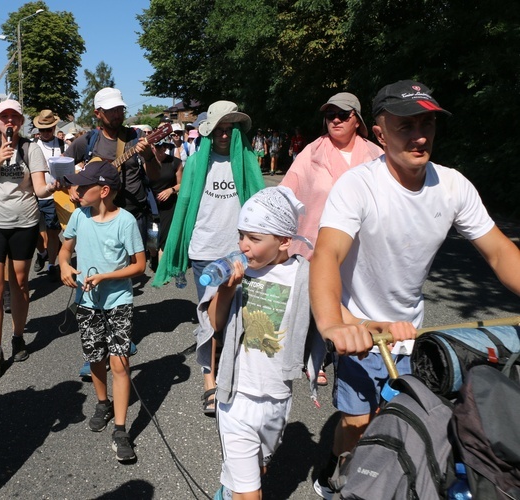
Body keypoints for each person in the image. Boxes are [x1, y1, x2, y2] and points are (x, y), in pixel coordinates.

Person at [310, 80, 520, 499]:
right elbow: (326, 256)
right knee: (358, 424)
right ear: (381, 131)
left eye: (427, 124)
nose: (420, 135)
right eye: (406, 125)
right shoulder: (358, 186)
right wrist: (334, 324)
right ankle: (335, 472)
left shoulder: (454, 185)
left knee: (420, 421)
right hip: (359, 326)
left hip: (411, 330)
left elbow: (499, 252)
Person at [198, 187, 317, 500]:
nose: (243, 245)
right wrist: (225, 290)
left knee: (257, 471)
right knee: (251, 495)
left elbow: (329, 314)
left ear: (283, 241)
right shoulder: (239, 272)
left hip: (278, 396)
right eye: (241, 235)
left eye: (253, 238)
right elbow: (214, 322)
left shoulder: (303, 275)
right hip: (236, 396)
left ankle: (227, 490)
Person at [153, 100, 265, 415]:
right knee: (207, 319)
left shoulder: (248, 161)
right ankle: (210, 380)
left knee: (238, 318)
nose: (225, 136)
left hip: (239, 253)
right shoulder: (196, 163)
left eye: (231, 129)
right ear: (209, 132)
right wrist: (175, 248)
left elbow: (260, 204)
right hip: (204, 253)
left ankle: (235, 374)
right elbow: (185, 207)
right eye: (220, 129)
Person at [0, 99, 59, 378]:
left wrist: (54, 186)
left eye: (14, 118)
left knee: (19, 283)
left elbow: (40, 189)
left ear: (20, 122)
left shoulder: (31, 150)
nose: (9, 122)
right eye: (4, 117)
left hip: (24, 223)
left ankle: (18, 336)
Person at [58, 161, 146, 463]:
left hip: (119, 300)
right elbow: (65, 250)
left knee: (119, 363)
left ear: (104, 191)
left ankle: (121, 429)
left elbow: (139, 265)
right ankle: (103, 402)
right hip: (86, 302)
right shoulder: (79, 217)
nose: (76, 190)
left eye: (83, 187)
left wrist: (106, 277)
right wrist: (64, 266)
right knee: (95, 357)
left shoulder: (126, 222)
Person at [280, 93, 383, 261]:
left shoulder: (376, 155)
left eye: (342, 115)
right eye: (330, 115)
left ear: (357, 121)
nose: (335, 120)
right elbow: (283, 195)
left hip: (363, 253)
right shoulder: (311, 153)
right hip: (316, 250)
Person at [64, 87, 156, 246]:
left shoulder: (136, 136)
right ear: (97, 113)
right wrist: (71, 187)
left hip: (134, 214)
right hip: (99, 217)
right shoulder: (89, 140)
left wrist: (148, 155)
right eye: (111, 110)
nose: (117, 114)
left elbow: (156, 176)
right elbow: (61, 165)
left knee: (136, 266)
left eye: (120, 109)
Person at [32, 109, 65, 280]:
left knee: (53, 232)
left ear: (54, 128)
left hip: (55, 196)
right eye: (42, 130)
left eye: (48, 129)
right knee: (33, 232)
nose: (45, 133)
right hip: (34, 195)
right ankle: (42, 252)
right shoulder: (31, 146)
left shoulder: (62, 145)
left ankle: (52, 265)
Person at [146, 139, 183, 269]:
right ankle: (153, 256)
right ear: (152, 148)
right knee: (152, 236)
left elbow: (181, 184)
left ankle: (163, 269)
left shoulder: (175, 162)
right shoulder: (147, 163)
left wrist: (171, 190)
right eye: (157, 147)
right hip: (151, 205)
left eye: (163, 147)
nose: (160, 150)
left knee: (164, 236)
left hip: (169, 205)